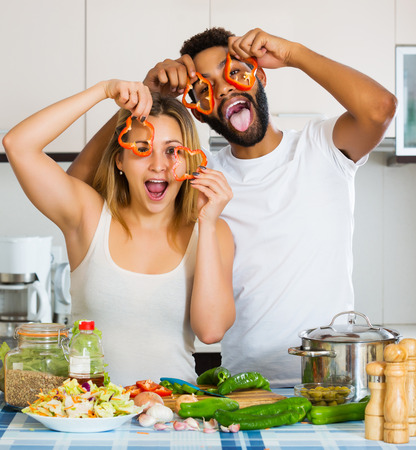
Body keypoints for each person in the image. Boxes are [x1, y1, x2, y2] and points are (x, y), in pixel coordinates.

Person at [69, 27, 397, 387]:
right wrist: (143, 97)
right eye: (203, 88)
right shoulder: (199, 174)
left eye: (234, 71)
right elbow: (80, 188)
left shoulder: (321, 148)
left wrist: (293, 54)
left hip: (333, 378)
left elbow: (379, 108)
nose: (224, 88)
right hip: (248, 385)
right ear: (197, 111)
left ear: (260, 76)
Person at [3, 80, 235, 386]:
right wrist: (103, 91)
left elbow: (211, 331)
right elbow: (17, 145)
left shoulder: (213, 229)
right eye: (141, 148)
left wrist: (205, 222)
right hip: (89, 413)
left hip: (173, 412)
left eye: (172, 151)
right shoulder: (87, 216)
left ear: (190, 162)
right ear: (119, 160)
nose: (158, 166)